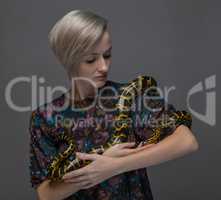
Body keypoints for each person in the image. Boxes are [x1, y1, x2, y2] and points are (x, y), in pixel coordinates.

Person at [29, 10, 199, 200]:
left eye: (107, 55)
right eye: (91, 59)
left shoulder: (132, 96)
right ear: (69, 60)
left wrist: (114, 165)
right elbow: (46, 194)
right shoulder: (46, 117)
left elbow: (186, 142)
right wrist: (96, 169)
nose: (103, 66)